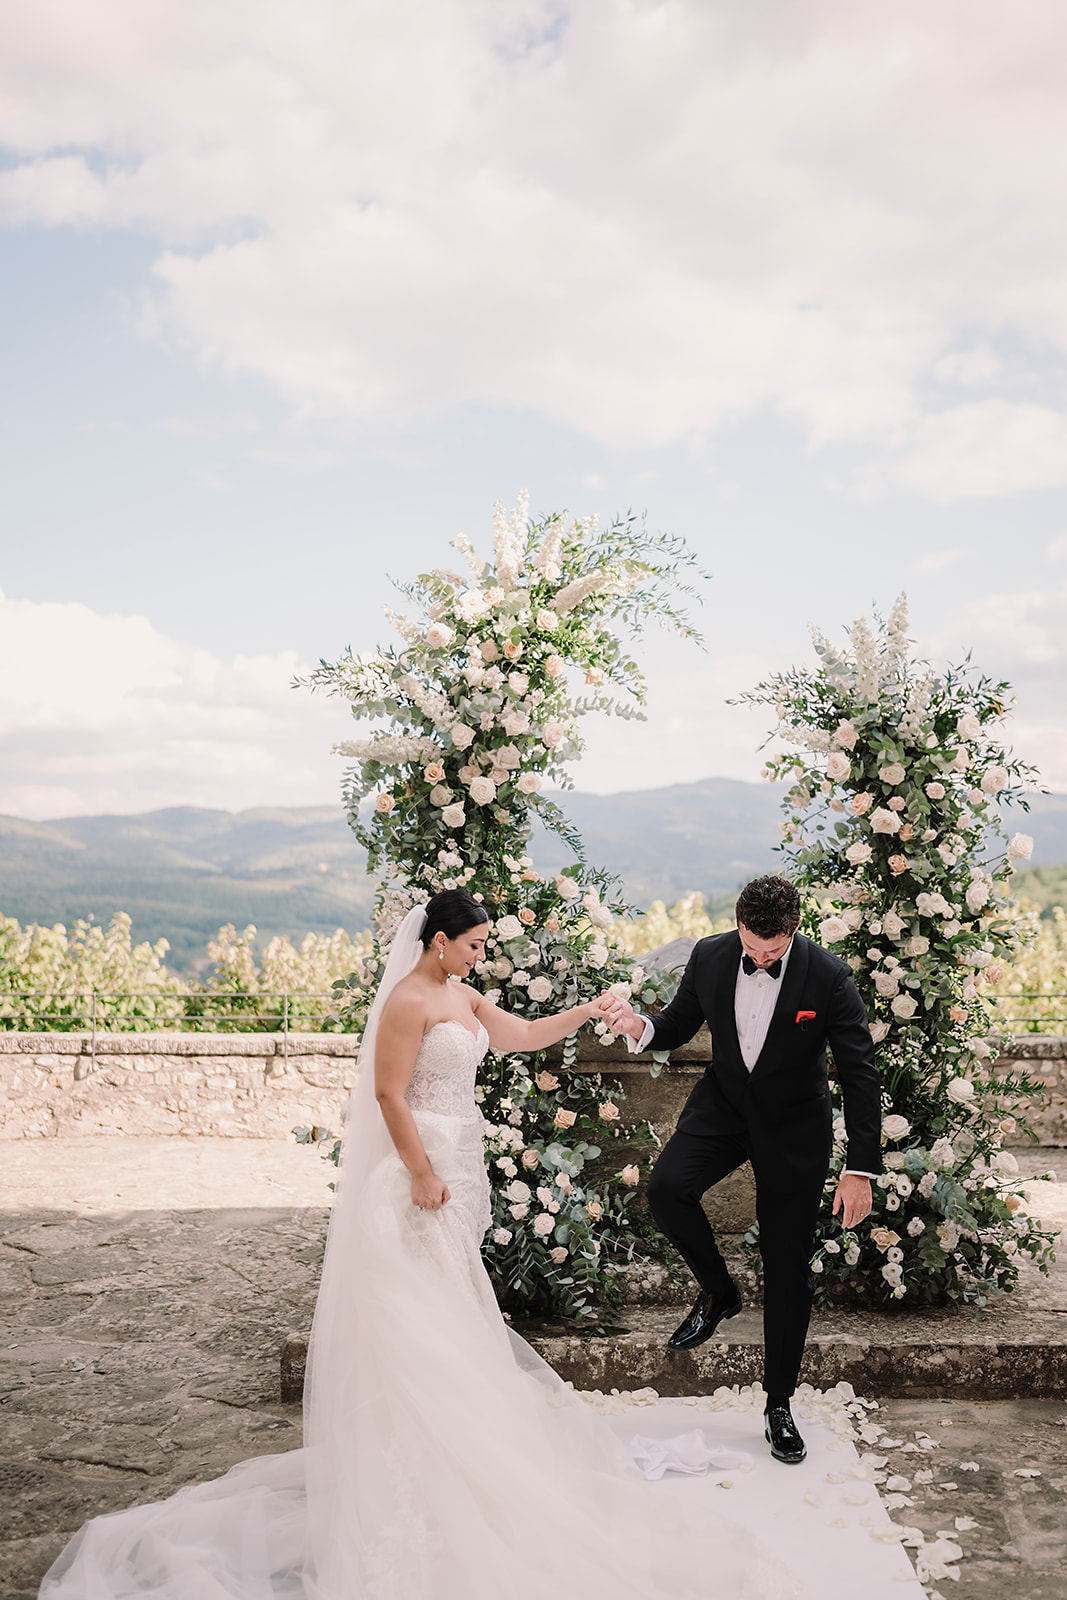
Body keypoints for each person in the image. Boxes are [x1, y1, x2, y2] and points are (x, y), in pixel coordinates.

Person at [40, 889, 797, 1600]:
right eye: (472, 945)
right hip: (422, 1174)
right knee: (422, 1321)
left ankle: (453, 1455)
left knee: (453, 1307)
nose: (481, 957)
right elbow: (387, 1094)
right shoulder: (406, 1001)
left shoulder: (462, 996)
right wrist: (420, 1171)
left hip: (460, 1168)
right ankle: (416, 1469)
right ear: (438, 942)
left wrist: (586, 1012)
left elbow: (521, 1036)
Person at [602, 875, 882, 1468]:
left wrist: (860, 1169)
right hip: (723, 1110)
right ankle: (719, 1291)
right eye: (750, 946)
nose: (758, 957)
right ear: (737, 922)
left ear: (795, 930)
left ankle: (778, 1404)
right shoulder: (710, 955)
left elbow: (860, 1074)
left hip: (793, 1130)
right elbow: (677, 1024)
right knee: (667, 1189)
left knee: (786, 1272)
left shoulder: (828, 977)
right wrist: (638, 1026)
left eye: (771, 951)